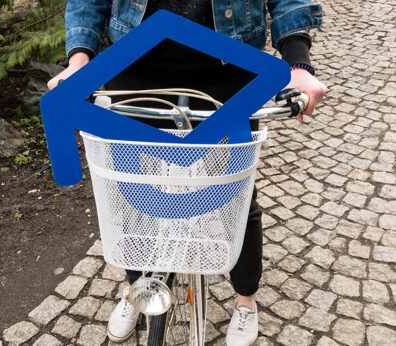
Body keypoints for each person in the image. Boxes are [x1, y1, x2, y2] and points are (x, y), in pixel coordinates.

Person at [48, 1, 327, 345]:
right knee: (132, 194)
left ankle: (245, 301)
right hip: (135, 67)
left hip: (230, 69)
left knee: (237, 197)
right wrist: (79, 60)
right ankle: (140, 287)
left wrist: (297, 62)